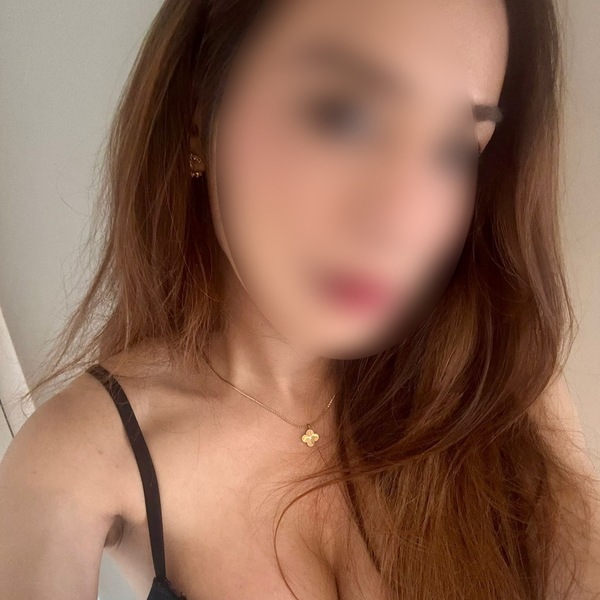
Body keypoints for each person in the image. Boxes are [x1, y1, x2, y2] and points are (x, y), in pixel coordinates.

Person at [1, 0, 599, 598]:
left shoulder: (498, 376)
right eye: (344, 117)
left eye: (455, 150)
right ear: (196, 114)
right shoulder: (82, 456)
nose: (400, 222)